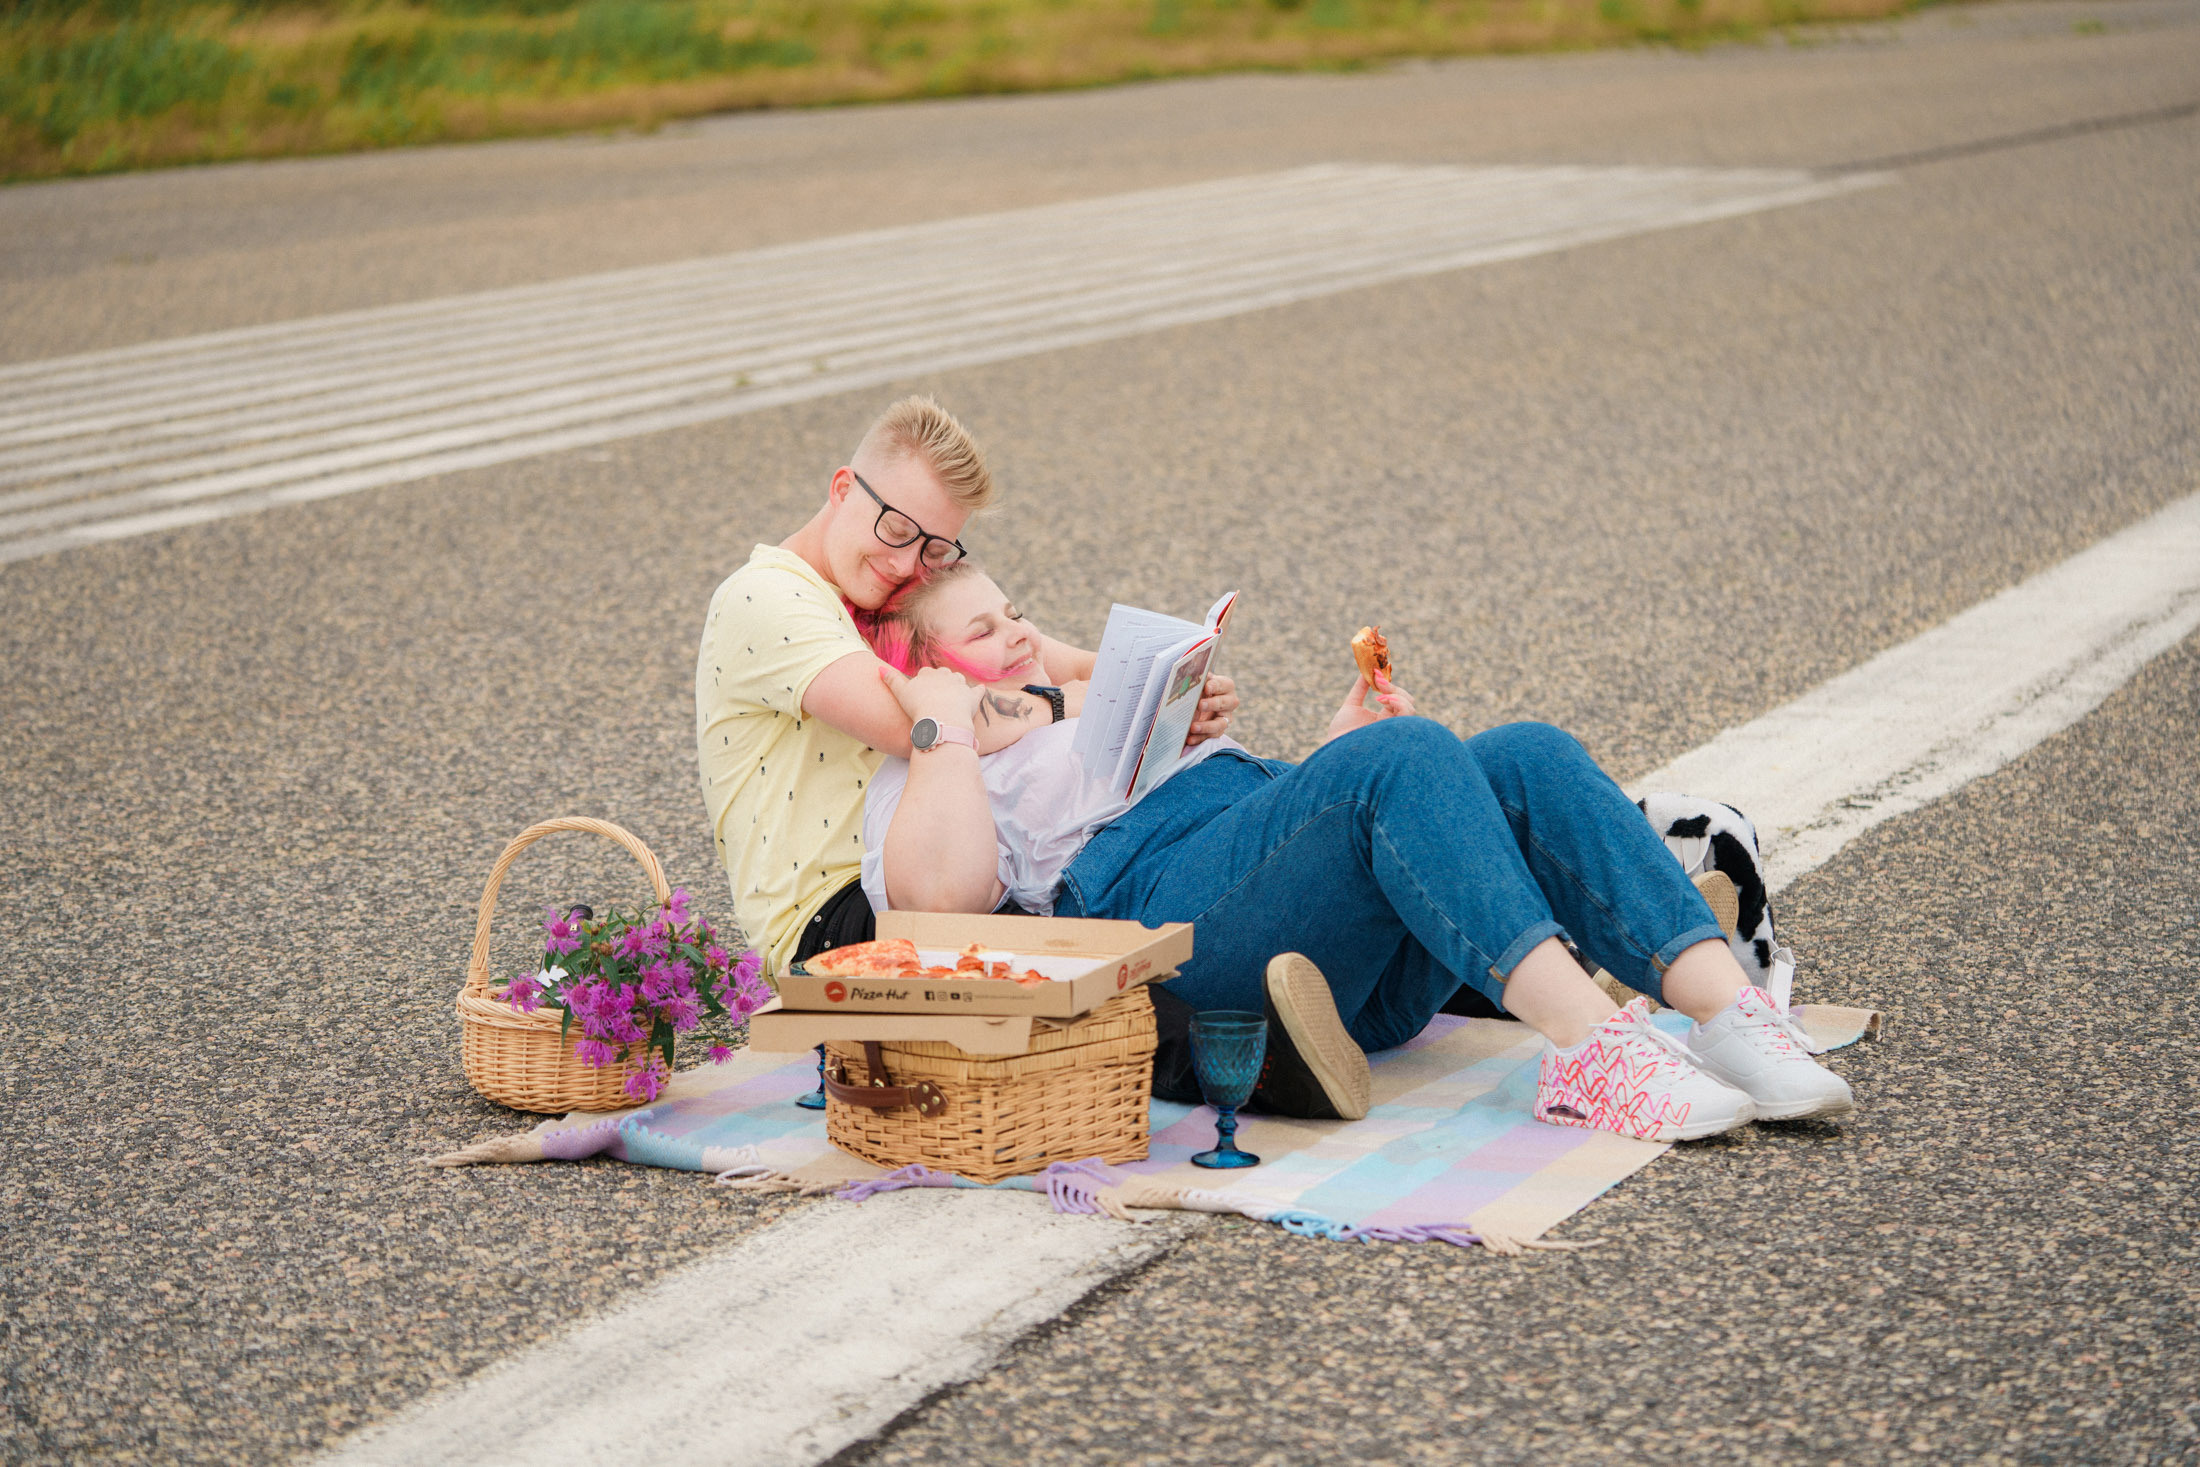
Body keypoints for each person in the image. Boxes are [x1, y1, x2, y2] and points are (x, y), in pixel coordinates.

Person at [858, 563, 1856, 1145]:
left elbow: (1264, 846)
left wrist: (1331, 759)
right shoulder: (927, 765)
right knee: (1406, 756)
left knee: (1524, 754)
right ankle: (1590, 1053)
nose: (1021, 632)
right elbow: (937, 901)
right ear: (927, 666)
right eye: (984, 629)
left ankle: (1728, 1013)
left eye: (1015, 612)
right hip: (1155, 924)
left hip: (1291, 922)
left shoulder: (1071, 710)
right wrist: (940, 722)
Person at [693, 396, 1238, 978]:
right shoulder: (767, 598)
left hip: (956, 854)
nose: (905, 564)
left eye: (934, 548)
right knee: (1136, 888)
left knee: (1165, 862)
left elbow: (1061, 662)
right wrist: (1070, 704)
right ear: (843, 488)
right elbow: (920, 726)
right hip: (840, 915)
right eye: (895, 529)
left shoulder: (892, 583)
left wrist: (1176, 693)